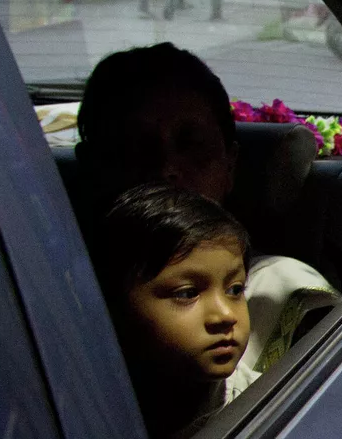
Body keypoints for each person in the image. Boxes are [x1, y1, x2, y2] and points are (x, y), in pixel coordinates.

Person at [77, 42, 341, 374]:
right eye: (133, 148)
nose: (166, 167)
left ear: (230, 166)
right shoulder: (42, 292)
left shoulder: (282, 295)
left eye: (191, 145)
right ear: (90, 168)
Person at [88, 184, 258, 438]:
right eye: (187, 294)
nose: (225, 315)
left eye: (234, 290)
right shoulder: (82, 409)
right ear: (112, 306)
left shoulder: (265, 400)